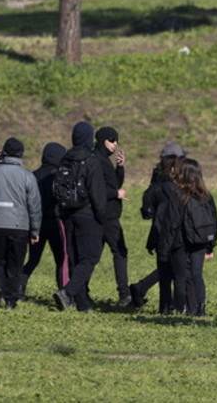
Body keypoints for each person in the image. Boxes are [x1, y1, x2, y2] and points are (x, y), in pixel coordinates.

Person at [54, 122, 108, 312]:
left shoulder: (65, 159)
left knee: (76, 258)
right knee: (90, 257)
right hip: (88, 214)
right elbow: (97, 193)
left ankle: (82, 304)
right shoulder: (91, 160)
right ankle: (67, 293)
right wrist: (102, 217)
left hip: (68, 214)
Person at [0, 138, 41, 309]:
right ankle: (11, 299)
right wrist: (35, 229)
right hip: (19, 226)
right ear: (21, 154)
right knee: (15, 264)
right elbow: (34, 205)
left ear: (5, 152)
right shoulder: (28, 176)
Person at [130, 142, 186, 312]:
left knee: (167, 266)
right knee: (176, 267)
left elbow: (150, 205)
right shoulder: (174, 182)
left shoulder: (157, 179)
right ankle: (177, 305)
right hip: (174, 228)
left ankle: (144, 290)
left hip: (160, 228)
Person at [169, 157, 216, 317]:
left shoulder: (180, 195)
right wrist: (210, 245)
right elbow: (214, 221)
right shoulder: (206, 196)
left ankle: (188, 307)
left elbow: (174, 221)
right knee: (197, 274)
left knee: (185, 276)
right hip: (201, 240)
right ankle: (200, 307)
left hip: (183, 241)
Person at [22, 141, 68, 297]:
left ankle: (19, 288)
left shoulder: (33, 175)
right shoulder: (59, 176)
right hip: (55, 222)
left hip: (37, 223)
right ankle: (63, 290)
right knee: (61, 260)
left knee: (33, 260)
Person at [94, 126, 132, 307]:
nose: (115, 143)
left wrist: (120, 167)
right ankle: (125, 294)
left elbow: (113, 184)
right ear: (102, 140)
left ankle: (77, 291)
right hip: (107, 217)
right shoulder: (98, 160)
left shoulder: (103, 160)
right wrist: (115, 194)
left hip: (104, 216)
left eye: (116, 140)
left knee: (92, 257)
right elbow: (99, 189)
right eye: (111, 140)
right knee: (120, 253)